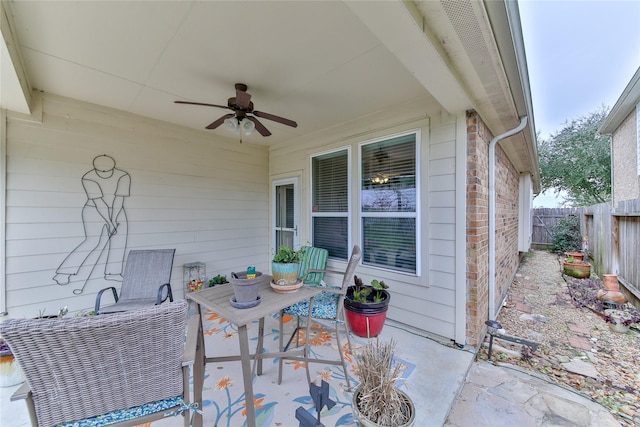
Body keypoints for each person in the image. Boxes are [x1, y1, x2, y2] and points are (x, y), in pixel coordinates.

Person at [54, 155, 130, 285]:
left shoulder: (123, 176)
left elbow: (119, 199)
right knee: (92, 241)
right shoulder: (88, 177)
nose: (104, 174)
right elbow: (98, 202)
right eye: (100, 172)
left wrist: (114, 219)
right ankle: (63, 273)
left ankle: (113, 273)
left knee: (119, 239)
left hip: (117, 210)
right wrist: (109, 222)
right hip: (93, 210)